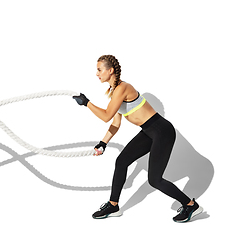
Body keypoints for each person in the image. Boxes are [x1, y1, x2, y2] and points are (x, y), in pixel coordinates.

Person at [73, 55, 203, 223]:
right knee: (121, 161)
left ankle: (191, 205)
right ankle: (113, 205)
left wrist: (87, 103)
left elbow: (105, 116)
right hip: (149, 131)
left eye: (99, 70)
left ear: (110, 70)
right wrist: (103, 143)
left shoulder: (123, 88)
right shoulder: (115, 92)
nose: (96, 74)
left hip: (162, 130)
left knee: (155, 180)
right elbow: (115, 122)